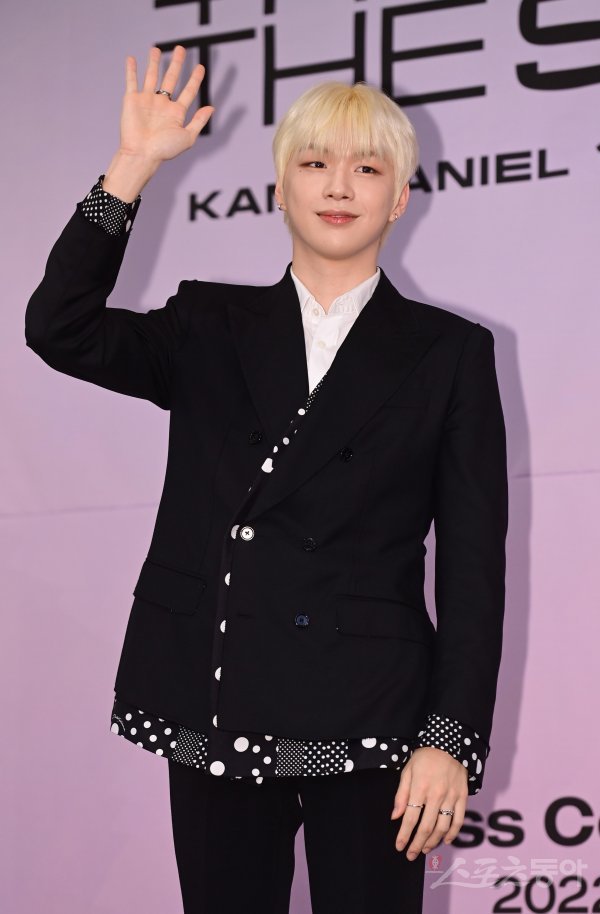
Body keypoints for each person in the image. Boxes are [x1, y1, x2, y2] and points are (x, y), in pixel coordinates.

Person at [25, 45, 508, 914]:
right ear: (279, 189)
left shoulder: (450, 353)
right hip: (217, 691)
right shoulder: (209, 322)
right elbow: (60, 328)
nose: (339, 185)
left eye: (368, 168)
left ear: (400, 197)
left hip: (372, 712)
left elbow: (474, 566)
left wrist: (451, 736)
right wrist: (132, 165)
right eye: (314, 163)